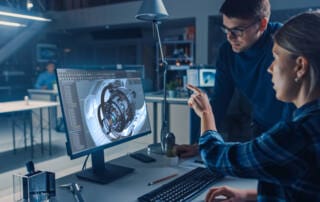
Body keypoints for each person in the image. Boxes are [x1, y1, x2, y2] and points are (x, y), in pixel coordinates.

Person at [187, 10, 320, 201]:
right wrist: (248, 196)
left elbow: (216, 157)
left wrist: (206, 113)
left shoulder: (297, 136)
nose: (270, 68)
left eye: (276, 57)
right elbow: (300, 188)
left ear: (300, 66)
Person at [176, 0, 294, 158]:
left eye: (238, 30)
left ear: (262, 24)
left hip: (291, 133)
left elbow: (296, 101)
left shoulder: (284, 43)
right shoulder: (227, 52)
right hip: (260, 132)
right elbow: (220, 100)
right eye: (226, 29)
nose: (230, 37)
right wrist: (201, 144)